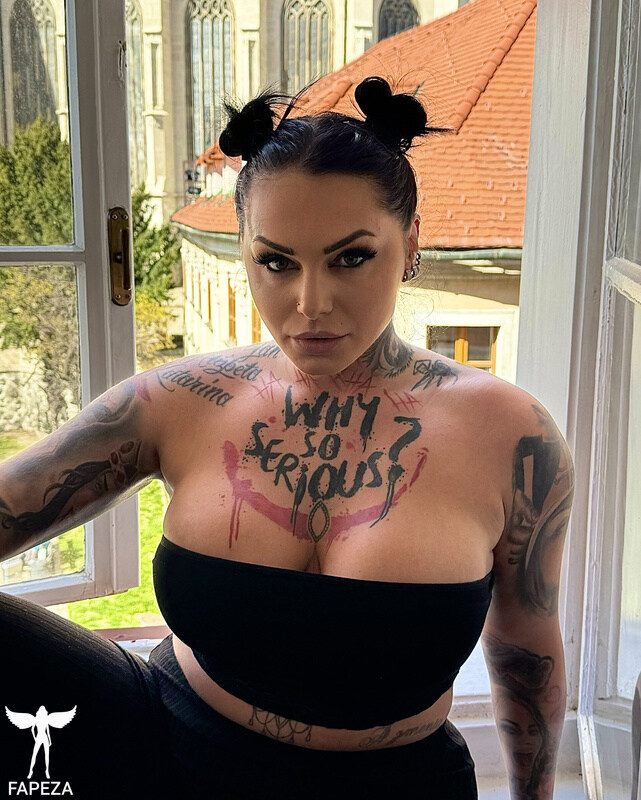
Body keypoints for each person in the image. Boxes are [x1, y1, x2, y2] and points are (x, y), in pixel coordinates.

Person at [0, 75, 575, 799]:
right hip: (164, 745)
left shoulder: (514, 437)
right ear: (244, 251)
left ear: (410, 243)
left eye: (350, 258)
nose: (310, 304)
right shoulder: (175, 401)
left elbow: (525, 650)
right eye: (275, 262)